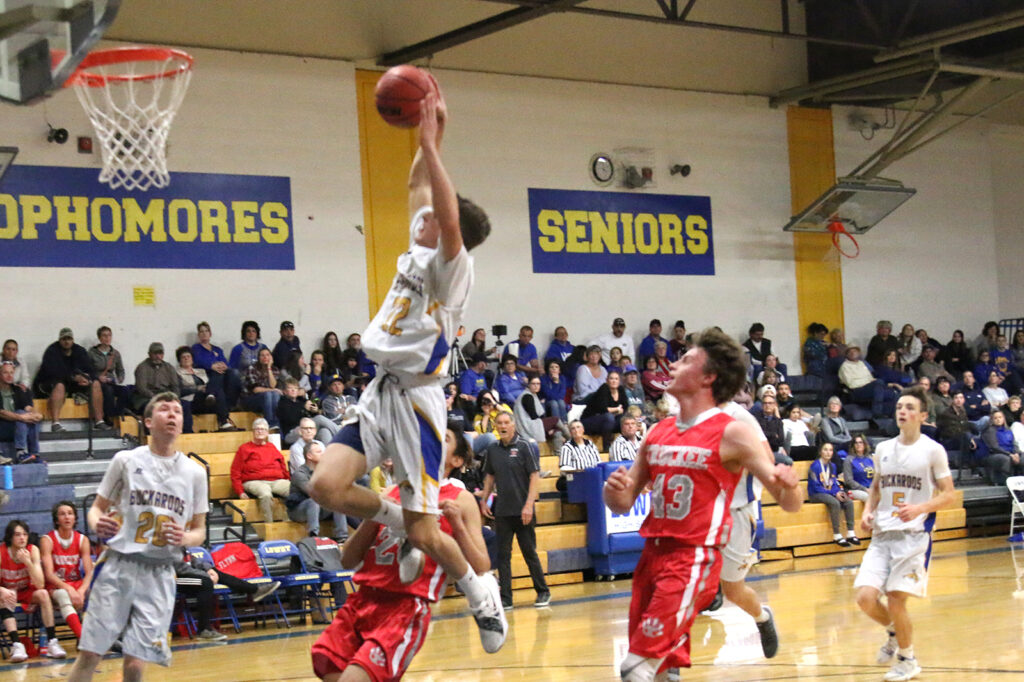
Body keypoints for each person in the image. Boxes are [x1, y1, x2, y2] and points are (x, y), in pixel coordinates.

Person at [309, 87, 506, 655]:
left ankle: (480, 592)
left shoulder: (453, 268)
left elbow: (442, 209)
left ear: (450, 235)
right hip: (380, 391)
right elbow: (420, 185)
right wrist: (432, 128)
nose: (420, 218)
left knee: (426, 531)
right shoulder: (419, 249)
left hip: (420, 401)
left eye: (436, 221)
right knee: (326, 485)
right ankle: (397, 514)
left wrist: (428, 143)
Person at [603, 328, 802, 681]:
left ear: (709, 377)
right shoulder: (658, 430)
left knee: (635, 667)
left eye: (687, 359)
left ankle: (761, 618)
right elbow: (623, 502)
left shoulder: (733, 429)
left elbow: (788, 501)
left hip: (695, 554)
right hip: (652, 556)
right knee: (661, 670)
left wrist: (789, 485)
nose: (675, 364)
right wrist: (614, 490)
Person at [311, 424, 490, 680]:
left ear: (457, 459)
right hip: (363, 600)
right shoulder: (389, 492)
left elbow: (482, 565)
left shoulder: (460, 498)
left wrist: (458, 525)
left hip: (404, 607)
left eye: (445, 438)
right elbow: (348, 559)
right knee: (326, 665)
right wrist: (374, 516)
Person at [67, 392, 207, 681]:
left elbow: (200, 531)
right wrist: (97, 525)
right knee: (91, 654)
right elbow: (96, 509)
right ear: (147, 422)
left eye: (178, 411)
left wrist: (184, 538)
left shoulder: (195, 472)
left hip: (160, 572)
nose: (172, 415)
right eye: (165, 410)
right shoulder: (126, 459)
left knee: (134, 664)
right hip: (120, 565)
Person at [854, 385, 956, 682]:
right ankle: (893, 632)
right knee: (865, 598)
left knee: (896, 600)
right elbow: (875, 489)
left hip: (913, 537)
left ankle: (908, 659)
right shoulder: (884, 448)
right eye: (900, 406)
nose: (903, 411)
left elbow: (949, 495)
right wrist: (867, 511)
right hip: (882, 535)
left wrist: (920, 508)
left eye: (910, 407)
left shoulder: (933, 450)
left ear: (923, 415)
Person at [480, 411, 549, 609]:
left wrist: (529, 505)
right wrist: (484, 499)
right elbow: (490, 477)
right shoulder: (492, 449)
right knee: (503, 556)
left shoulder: (525, 446)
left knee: (529, 553)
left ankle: (543, 592)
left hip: (523, 510)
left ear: (513, 425)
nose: (502, 426)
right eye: (499, 423)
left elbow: (535, 476)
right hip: (502, 511)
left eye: (506, 422)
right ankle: (506, 599)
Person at [174, 548, 280, 641]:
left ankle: (254, 591)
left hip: (185, 574)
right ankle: (204, 629)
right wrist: (205, 575)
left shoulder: (178, 538)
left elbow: (190, 558)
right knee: (205, 582)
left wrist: (209, 569)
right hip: (171, 579)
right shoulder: (164, 541)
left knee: (215, 573)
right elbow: (179, 567)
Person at [1, 519, 64, 661]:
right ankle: (17, 644)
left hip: (25, 590)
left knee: (43, 594)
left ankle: (52, 642)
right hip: (7, 591)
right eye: (17, 535)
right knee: (2, 597)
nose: (22, 538)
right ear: (10, 537)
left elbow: (40, 584)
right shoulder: (1, 552)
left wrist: (28, 562)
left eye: (24, 534)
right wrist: (2, 590)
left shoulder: (33, 550)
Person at [33, 327, 106, 432]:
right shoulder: (52, 351)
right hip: (49, 382)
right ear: (60, 340)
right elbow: (52, 372)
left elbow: (90, 369)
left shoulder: (79, 351)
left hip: (72, 383)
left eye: (69, 339)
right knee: (59, 385)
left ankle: (99, 421)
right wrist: (73, 377)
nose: (67, 341)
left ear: (73, 340)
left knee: (95, 383)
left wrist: (87, 379)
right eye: (64, 339)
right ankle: (55, 423)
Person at [40, 501, 92, 641]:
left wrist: (81, 591)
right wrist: (69, 589)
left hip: (76, 583)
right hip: (56, 585)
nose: (67, 517)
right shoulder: (47, 540)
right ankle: (84, 640)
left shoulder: (82, 540)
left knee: (102, 591)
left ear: (75, 518)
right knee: (63, 595)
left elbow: (89, 573)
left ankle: (111, 636)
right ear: (56, 520)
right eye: (62, 514)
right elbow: (49, 574)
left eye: (70, 513)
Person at [230, 418, 290, 523]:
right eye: (257, 429)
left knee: (293, 490)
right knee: (265, 494)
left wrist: (288, 480)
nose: (260, 431)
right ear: (253, 432)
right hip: (254, 481)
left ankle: (288, 522)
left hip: (276, 481)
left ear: (267, 432)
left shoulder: (272, 447)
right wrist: (239, 491)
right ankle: (269, 525)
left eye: (263, 429)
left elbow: (283, 467)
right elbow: (235, 471)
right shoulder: (244, 449)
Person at [287, 441, 349, 543]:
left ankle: (342, 536)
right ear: (309, 456)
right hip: (298, 510)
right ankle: (313, 536)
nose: (323, 454)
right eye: (319, 452)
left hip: (319, 507)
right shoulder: (300, 474)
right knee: (313, 501)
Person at [808, 442, 859, 546]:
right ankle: (837, 534)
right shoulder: (815, 466)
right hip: (816, 494)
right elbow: (815, 486)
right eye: (825, 450)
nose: (828, 452)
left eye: (830, 450)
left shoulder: (833, 466)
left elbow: (834, 482)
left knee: (848, 500)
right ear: (820, 452)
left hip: (830, 492)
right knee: (835, 503)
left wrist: (838, 492)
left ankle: (850, 533)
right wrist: (834, 493)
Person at [177, 346, 234, 432]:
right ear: (179, 360)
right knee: (216, 390)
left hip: (207, 400)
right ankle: (223, 421)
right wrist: (197, 389)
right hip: (192, 402)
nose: (186, 359)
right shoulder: (177, 373)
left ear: (192, 359)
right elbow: (179, 391)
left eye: (188, 356)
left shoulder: (201, 371)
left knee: (218, 379)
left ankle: (211, 396)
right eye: (183, 357)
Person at [191, 321, 242, 411]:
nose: (204, 333)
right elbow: (197, 361)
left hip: (220, 373)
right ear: (198, 334)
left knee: (234, 372)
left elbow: (226, 363)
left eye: (206, 331)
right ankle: (211, 395)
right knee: (217, 372)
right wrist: (211, 366)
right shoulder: (196, 348)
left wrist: (224, 366)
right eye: (201, 331)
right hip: (206, 373)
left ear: (210, 334)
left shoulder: (217, 349)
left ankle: (229, 403)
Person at [0, 361, 42, 463]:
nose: (9, 375)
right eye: (5, 373)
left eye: (11, 372)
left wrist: (36, 414)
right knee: (21, 414)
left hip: (17, 425)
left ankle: (34, 454)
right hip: (2, 424)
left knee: (31, 419)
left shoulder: (18, 389)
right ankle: (20, 452)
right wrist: (21, 417)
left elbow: (27, 407)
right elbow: (1, 412)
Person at [514, 376, 567, 454]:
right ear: (528, 385)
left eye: (538, 384)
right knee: (555, 420)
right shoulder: (527, 396)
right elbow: (534, 416)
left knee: (557, 432)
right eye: (533, 384)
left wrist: (549, 428)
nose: (536, 386)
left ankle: (558, 454)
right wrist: (548, 427)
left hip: (533, 425)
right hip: (527, 427)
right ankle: (571, 440)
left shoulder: (533, 395)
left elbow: (540, 417)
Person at [839, 346, 896, 418]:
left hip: (869, 387)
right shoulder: (845, 366)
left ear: (859, 353)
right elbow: (851, 384)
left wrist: (870, 382)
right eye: (850, 352)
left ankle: (893, 416)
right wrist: (867, 382)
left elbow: (870, 378)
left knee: (892, 392)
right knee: (878, 383)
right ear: (846, 354)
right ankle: (877, 414)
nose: (853, 353)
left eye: (855, 351)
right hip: (856, 391)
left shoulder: (861, 364)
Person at [277, 378, 337, 446]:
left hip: (308, 430)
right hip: (292, 434)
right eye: (290, 388)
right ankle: (342, 435)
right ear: (284, 391)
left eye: (296, 388)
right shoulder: (282, 403)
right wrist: (303, 408)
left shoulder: (301, 400)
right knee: (319, 418)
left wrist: (315, 411)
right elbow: (291, 419)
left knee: (324, 431)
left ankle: (330, 454)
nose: (293, 390)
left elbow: (311, 415)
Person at [88, 326, 127, 424]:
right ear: (99, 338)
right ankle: (108, 416)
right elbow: (88, 370)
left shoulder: (115, 353)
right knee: (108, 391)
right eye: (104, 336)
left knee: (126, 391)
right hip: (97, 382)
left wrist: (119, 379)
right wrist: (98, 377)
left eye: (109, 335)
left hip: (111, 381)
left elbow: (120, 370)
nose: (107, 338)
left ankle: (117, 413)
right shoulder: (92, 353)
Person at [581, 369, 629, 446]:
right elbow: (603, 409)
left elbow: (625, 407)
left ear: (619, 381)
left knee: (624, 419)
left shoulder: (621, 390)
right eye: (611, 378)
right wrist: (617, 409)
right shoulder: (604, 389)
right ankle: (606, 448)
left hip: (609, 422)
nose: (614, 381)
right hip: (590, 421)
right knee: (609, 417)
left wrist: (617, 411)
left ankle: (625, 446)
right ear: (607, 380)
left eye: (616, 379)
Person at [132, 342, 180, 415]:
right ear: (149, 354)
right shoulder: (142, 367)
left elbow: (175, 386)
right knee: (155, 407)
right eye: (155, 353)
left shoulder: (169, 367)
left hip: (166, 395)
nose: (158, 356)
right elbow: (142, 388)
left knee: (184, 405)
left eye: (160, 353)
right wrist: (157, 398)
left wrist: (174, 398)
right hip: (147, 397)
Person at [979, 409, 1023, 485]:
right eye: (995, 418)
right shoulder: (990, 430)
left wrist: (1016, 453)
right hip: (994, 454)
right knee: (1006, 459)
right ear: (992, 420)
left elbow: (1014, 444)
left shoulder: (1008, 430)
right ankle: (1006, 481)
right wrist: (1009, 454)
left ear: (1003, 418)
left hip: (1011, 452)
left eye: (1000, 417)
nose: (998, 419)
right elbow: (994, 447)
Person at [241, 347, 282, 427]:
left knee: (275, 394)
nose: (265, 357)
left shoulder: (275, 369)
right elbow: (256, 389)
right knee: (269, 394)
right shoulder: (252, 368)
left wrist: (269, 368)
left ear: (271, 357)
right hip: (250, 400)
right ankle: (269, 423)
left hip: (267, 400)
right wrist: (272, 390)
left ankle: (275, 423)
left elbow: (273, 385)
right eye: (262, 355)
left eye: (267, 355)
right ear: (258, 358)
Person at [843, 436, 874, 502]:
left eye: (860, 442)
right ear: (853, 445)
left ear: (865, 444)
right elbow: (849, 481)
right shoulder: (849, 459)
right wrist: (865, 489)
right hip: (855, 490)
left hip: (870, 488)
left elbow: (876, 476)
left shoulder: (870, 458)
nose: (858, 445)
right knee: (869, 498)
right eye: (856, 443)